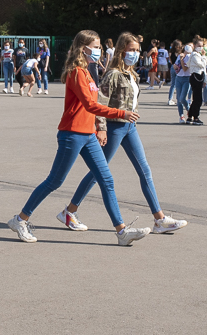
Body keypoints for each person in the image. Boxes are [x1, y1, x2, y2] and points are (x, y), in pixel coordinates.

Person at [8, 30, 150, 246]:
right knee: (55, 181)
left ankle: (122, 232)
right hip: (72, 134)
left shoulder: (87, 72)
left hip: (88, 135)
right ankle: (20, 220)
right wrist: (121, 113)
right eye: (96, 47)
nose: (100, 51)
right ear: (84, 49)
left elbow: (92, 107)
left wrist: (98, 128)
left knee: (106, 180)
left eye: (100, 46)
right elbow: (90, 105)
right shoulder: (75, 72)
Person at [59, 33, 189, 235]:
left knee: (144, 170)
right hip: (114, 127)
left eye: (137, 50)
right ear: (121, 51)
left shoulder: (132, 74)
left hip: (130, 127)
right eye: (131, 50)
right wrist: (101, 128)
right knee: (98, 173)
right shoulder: (112, 74)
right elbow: (99, 103)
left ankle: (160, 219)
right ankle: (70, 210)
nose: (135, 54)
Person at [186, 40, 207, 125]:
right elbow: (202, 65)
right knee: (198, 99)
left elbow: (203, 69)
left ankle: (190, 116)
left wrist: (205, 80)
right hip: (196, 76)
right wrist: (204, 56)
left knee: (196, 98)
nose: (201, 47)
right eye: (199, 45)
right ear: (195, 46)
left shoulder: (197, 55)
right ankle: (195, 117)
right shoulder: (194, 55)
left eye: (202, 46)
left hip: (200, 76)